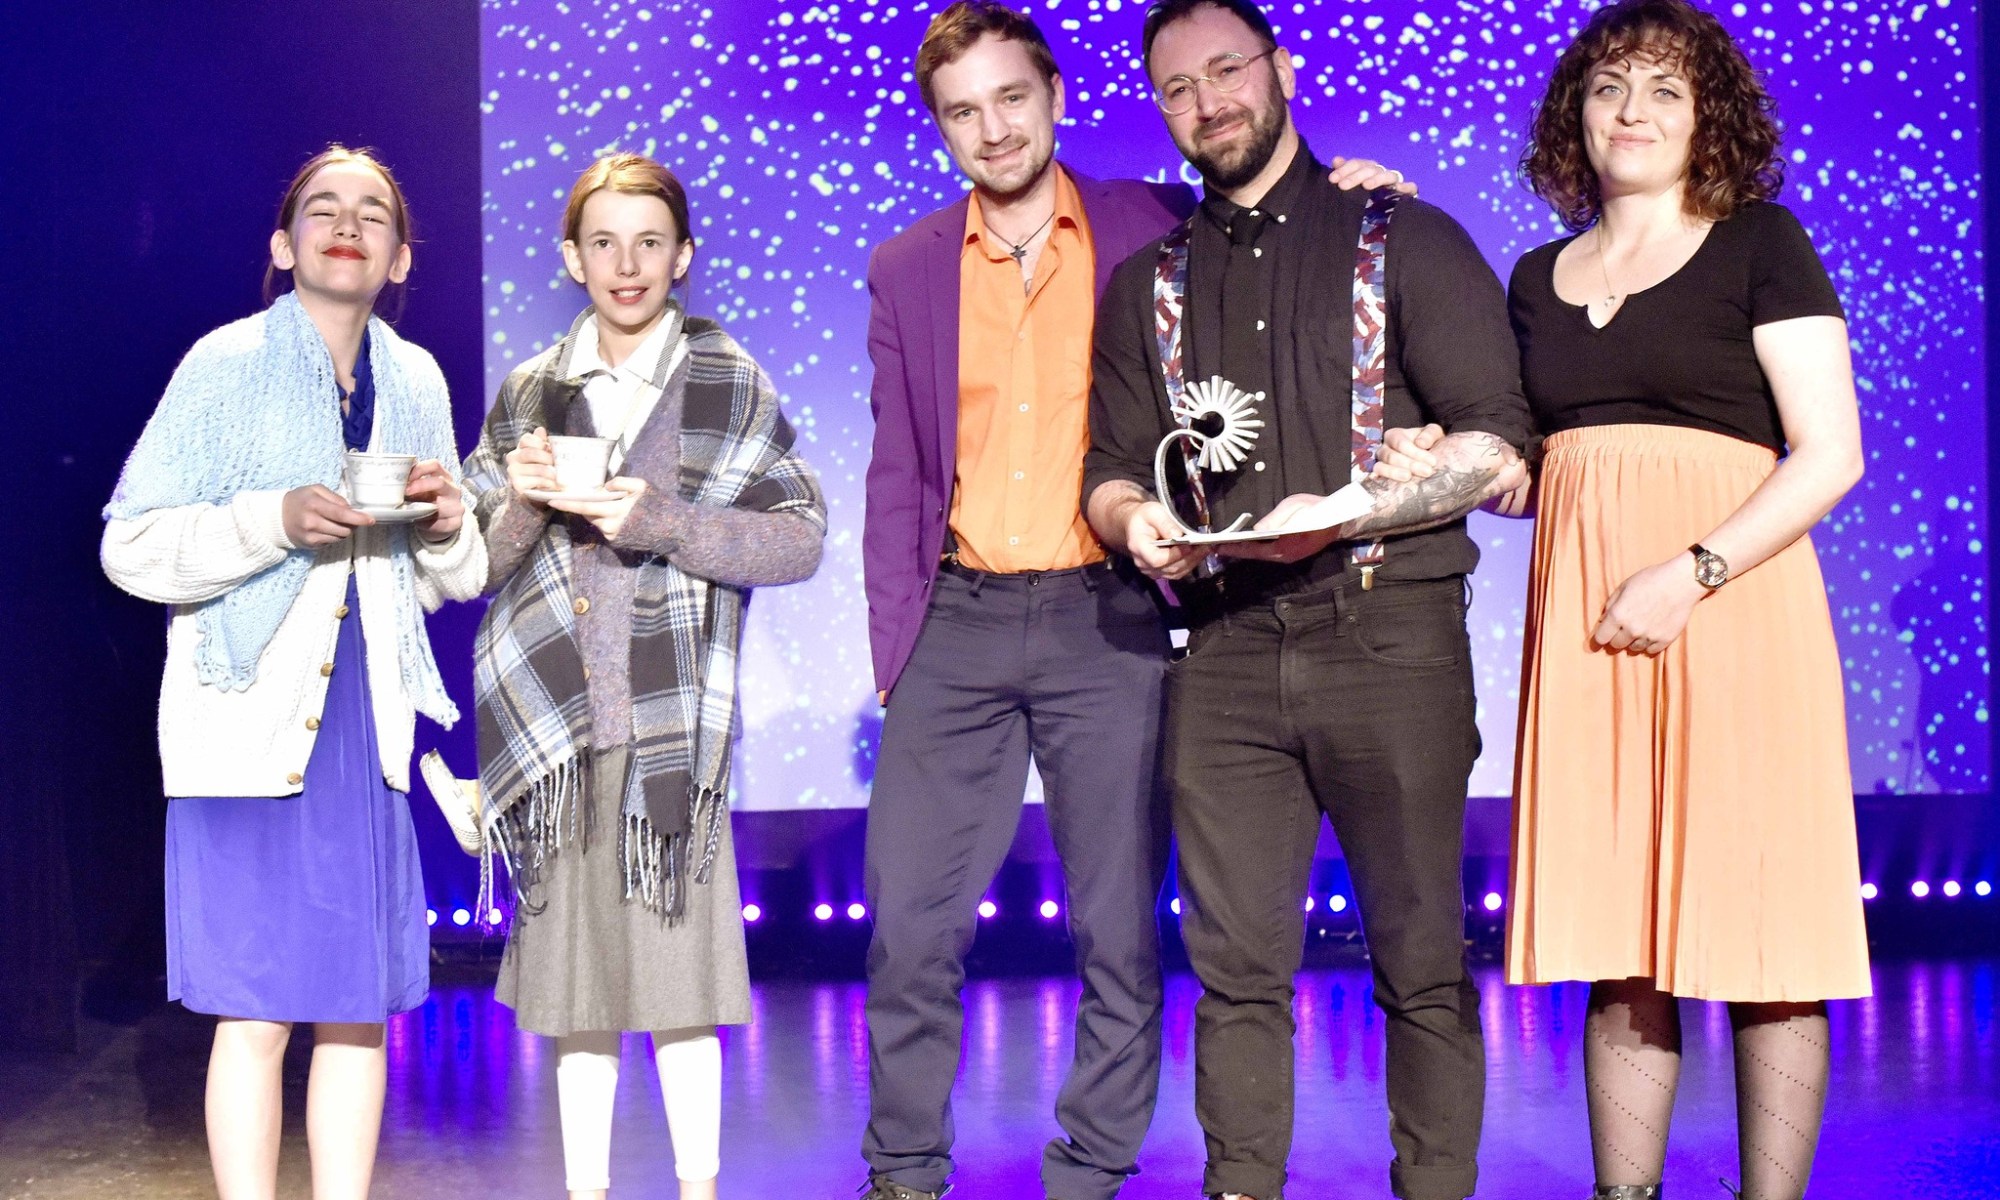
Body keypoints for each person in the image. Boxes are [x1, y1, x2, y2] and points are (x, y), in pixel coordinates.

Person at [857, 5, 1406, 1198]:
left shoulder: (1154, 221)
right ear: (938, 128)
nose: (993, 129)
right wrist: (894, 648)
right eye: (962, 111)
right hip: (956, 618)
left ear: (1053, 95)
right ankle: (901, 1170)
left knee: (1115, 927)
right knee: (907, 926)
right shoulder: (906, 266)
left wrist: (1354, 192)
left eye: (1011, 98)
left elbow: (1276, 220)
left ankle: (1090, 1170)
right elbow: (898, 466)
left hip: (1105, 616)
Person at [1381, 3, 1871, 1197]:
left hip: (1731, 609)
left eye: (1663, 89)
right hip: (1592, 631)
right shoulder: (1533, 278)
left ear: (1706, 118)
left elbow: (1828, 454)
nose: (1632, 111)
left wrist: (1689, 572)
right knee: (1621, 939)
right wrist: (1449, 466)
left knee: (1761, 933)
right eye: (1608, 88)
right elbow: (1538, 474)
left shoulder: (1758, 242)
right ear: (1575, 116)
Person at [1083, 2, 1535, 1198]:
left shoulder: (1406, 237)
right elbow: (1111, 466)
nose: (1207, 103)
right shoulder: (1145, 285)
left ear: (1278, 69)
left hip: (1387, 632)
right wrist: (1133, 522)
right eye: (1176, 88)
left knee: (1420, 960)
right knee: (1234, 974)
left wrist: (1371, 499)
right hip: (1223, 648)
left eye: (1226, 70)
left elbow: (1498, 439)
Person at [100, 145, 485, 1200]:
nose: (347, 223)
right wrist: (270, 520)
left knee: (358, 1011)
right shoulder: (224, 365)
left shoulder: (415, 378)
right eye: (323, 207)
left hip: (368, 725)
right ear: (283, 244)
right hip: (247, 722)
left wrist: (448, 525)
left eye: (373, 212)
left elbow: (454, 577)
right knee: (256, 1012)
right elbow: (129, 544)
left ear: (400, 258)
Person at [462, 152, 826, 1200]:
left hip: (672, 735)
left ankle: (696, 1190)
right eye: (605, 243)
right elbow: (473, 563)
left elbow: (797, 540)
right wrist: (521, 500)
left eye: (649, 243)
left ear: (683, 257)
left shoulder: (727, 380)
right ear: (572, 258)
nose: (627, 265)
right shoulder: (531, 390)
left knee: (677, 992)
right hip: (558, 734)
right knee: (577, 997)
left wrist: (664, 522)